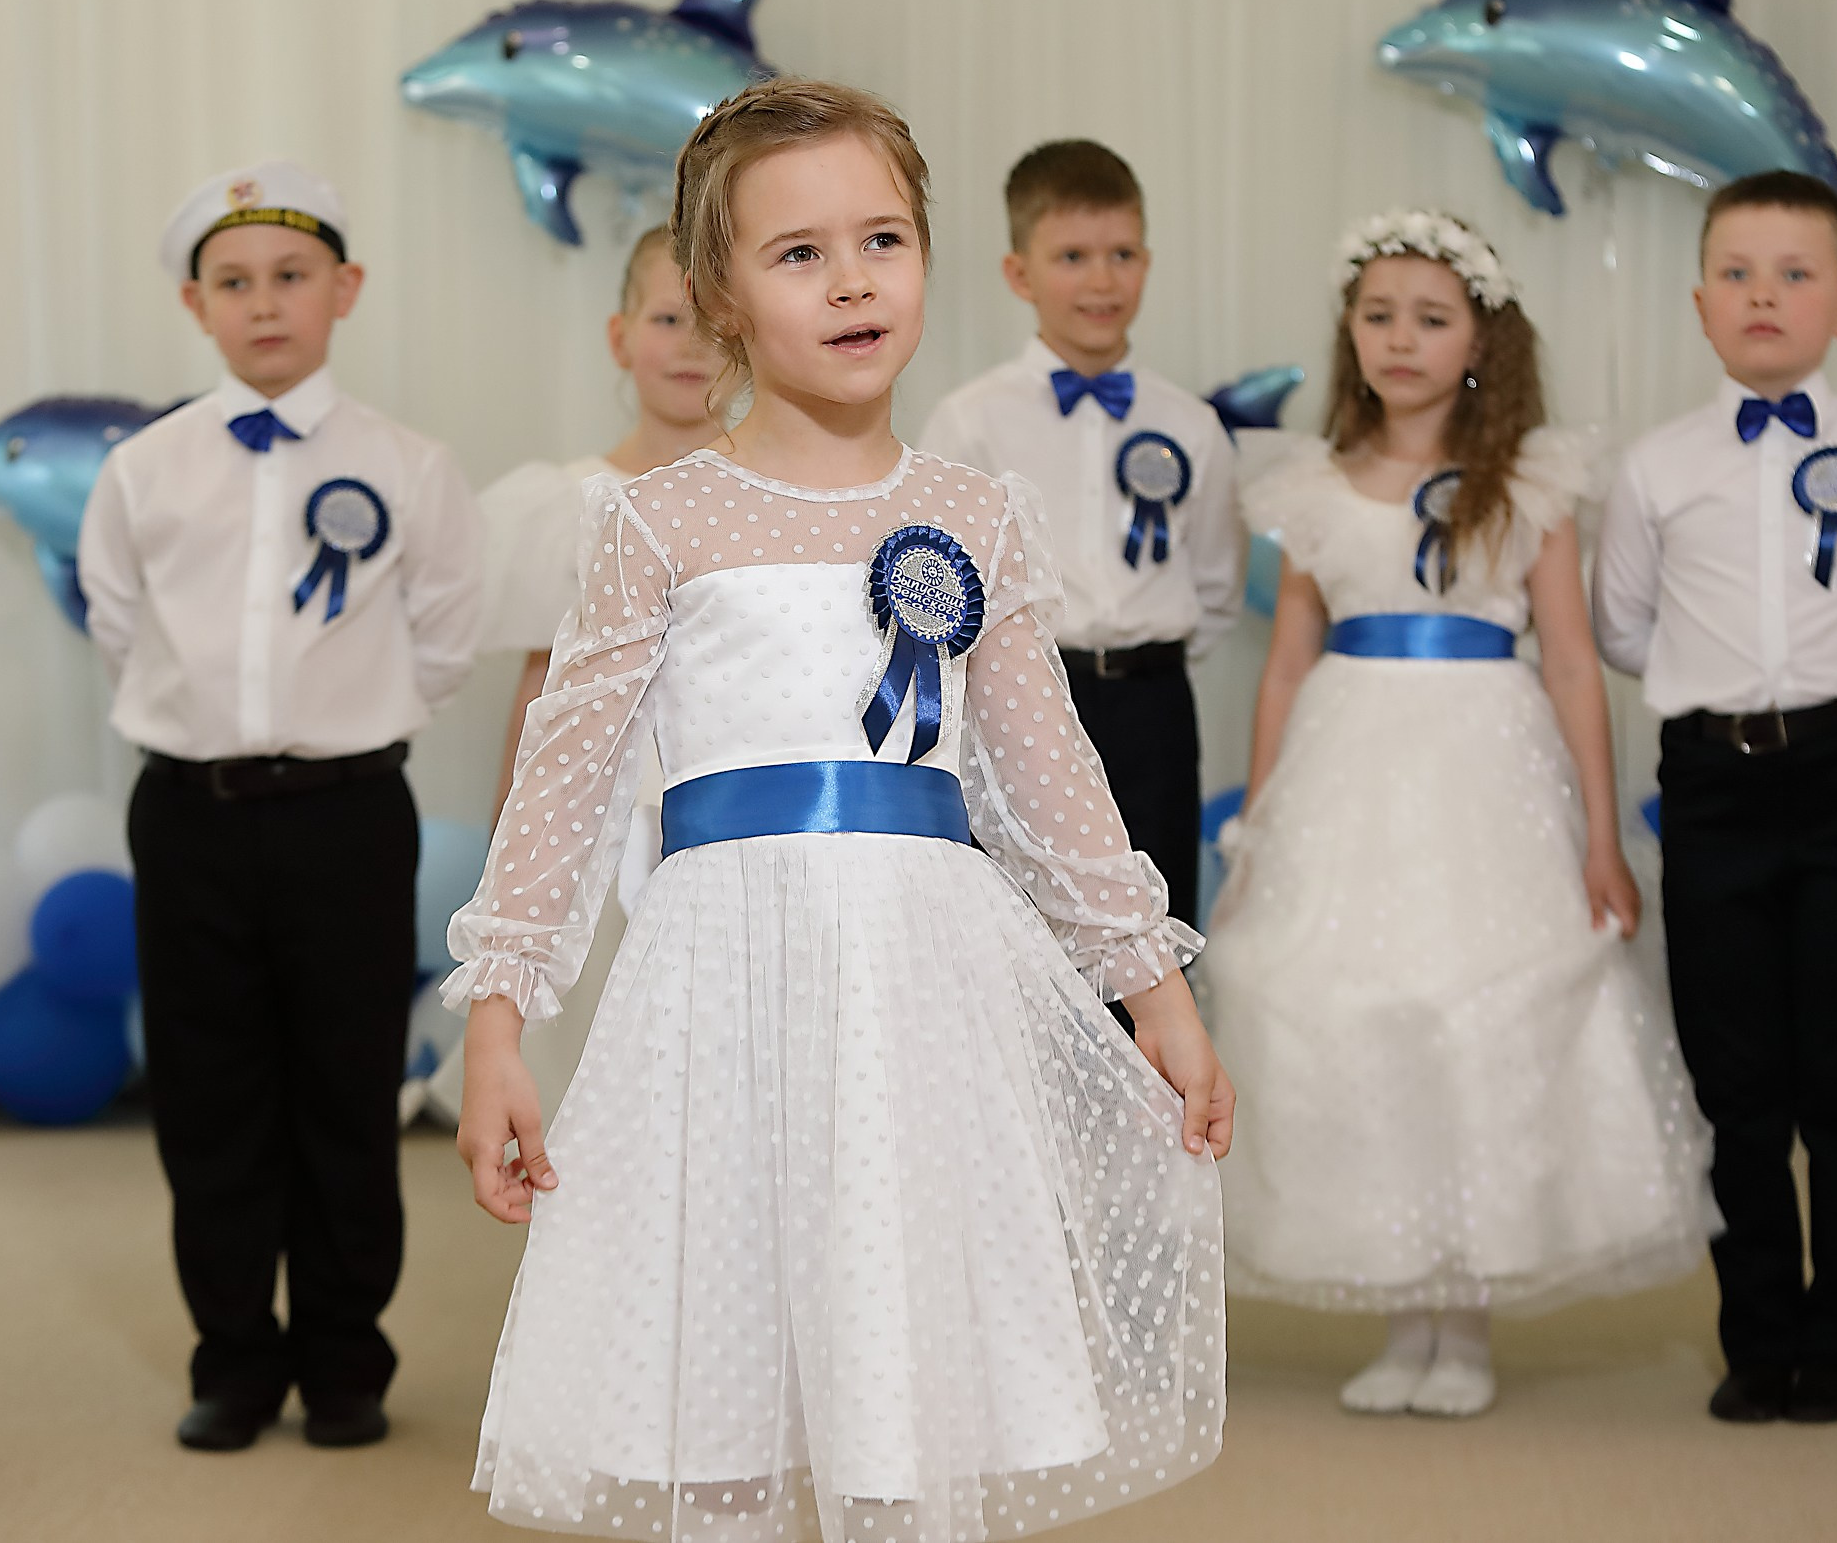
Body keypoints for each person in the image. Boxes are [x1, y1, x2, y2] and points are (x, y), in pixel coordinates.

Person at [446, 78, 1232, 1543]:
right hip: (721, 983)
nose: (853, 277)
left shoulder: (974, 516)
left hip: (918, 983)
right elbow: (565, 779)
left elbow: (1052, 780)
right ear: (723, 299)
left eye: (882, 237)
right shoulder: (656, 520)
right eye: (798, 252)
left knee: (905, 1349)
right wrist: (499, 1011)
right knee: (727, 1351)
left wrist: (1156, 986)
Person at [1206, 211, 1710, 1419]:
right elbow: (1285, 663)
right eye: (1377, 315)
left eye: (1429, 318)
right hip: (1350, 759)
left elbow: (1577, 663)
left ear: (1479, 335)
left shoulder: (1530, 481)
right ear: (1349, 332)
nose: (1400, 339)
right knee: (1363, 1012)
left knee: (1473, 1012)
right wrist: (1258, 827)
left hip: (1487, 760)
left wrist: (1600, 832)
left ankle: (1466, 1314)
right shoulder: (1314, 482)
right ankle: (1401, 1304)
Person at [76, 161, 483, 1453]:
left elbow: (442, 639)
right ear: (197, 305)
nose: (266, 304)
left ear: (344, 290)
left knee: (346, 1089)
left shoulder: (411, 468)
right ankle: (235, 1356)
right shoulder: (142, 471)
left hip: (347, 818)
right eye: (235, 282)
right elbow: (119, 626)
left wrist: (337, 729)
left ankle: (347, 1356)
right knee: (211, 1094)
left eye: (292, 277)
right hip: (191, 817)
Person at [1594, 171, 1837, 1425]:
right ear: (1700, 304)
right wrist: (1736, 696)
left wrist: (1828, 678)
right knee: (1733, 1067)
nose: (1765, 294)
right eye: (1739, 273)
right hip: (1709, 783)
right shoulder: (1655, 469)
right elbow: (1624, 627)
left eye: (1795, 273)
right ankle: (1756, 1332)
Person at [918, 140, 1241, 957]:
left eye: (1121, 255)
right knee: (1026, 942)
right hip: (1024, 707)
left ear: (1148, 262)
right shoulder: (971, 420)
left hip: (1154, 710)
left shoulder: (1192, 425)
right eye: (1072, 257)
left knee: (1151, 936)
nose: (1102, 280)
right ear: (1019, 274)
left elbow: (1215, 587)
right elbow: (938, 588)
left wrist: (1141, 664)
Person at [442, 227, 725, 1123]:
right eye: (667, 318)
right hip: (605, 836)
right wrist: (509, 846)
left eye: (712, 321)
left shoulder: (776, 499)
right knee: (603, 1088)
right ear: (620, 336)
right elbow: (543, 686)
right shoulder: (566, 502)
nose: (689, 345)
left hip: (734, 820)